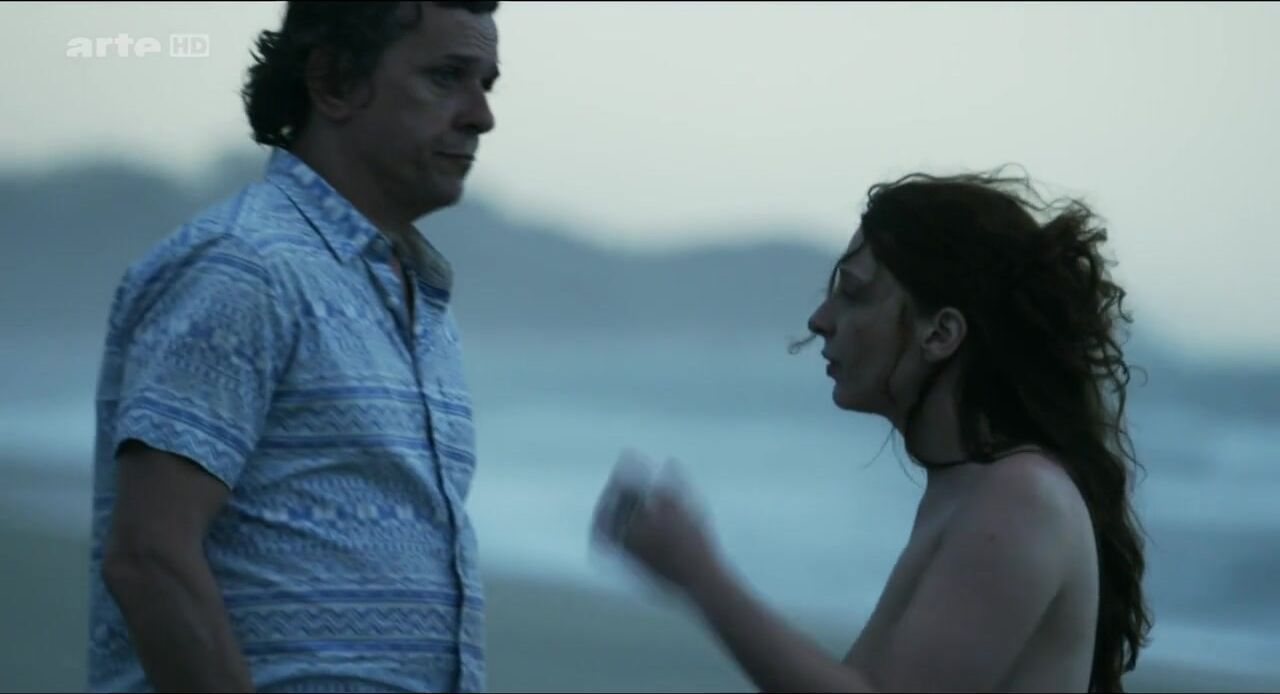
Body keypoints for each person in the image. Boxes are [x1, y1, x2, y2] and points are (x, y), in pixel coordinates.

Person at [594, 169, 1152, 692]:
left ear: (941, 335)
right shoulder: (973, 487)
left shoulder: (1020, 497)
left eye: (855, 294)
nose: (820, 320)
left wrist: (700, 573)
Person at [88, 2, 500, 692]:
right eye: (446, 77)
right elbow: (149, 556)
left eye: (486, 84)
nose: (481, 116)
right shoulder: (246, 266)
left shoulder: (413, 296)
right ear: (334, 82)